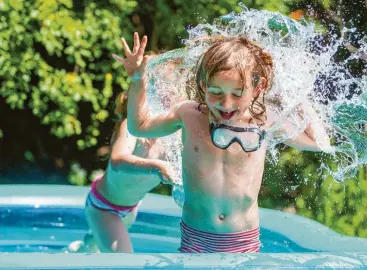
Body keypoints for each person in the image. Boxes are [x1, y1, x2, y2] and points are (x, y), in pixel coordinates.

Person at [112, 32, 333, 253]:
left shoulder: (264, 121)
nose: (226, 104)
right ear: (203, 84)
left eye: (237, 94)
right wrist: (137, 80)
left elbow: (318, 142)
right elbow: (139, 126)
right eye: (216, 92)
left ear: (258, 88)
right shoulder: (189, 115)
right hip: (195, 240)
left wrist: (300, 94)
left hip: (243, 242)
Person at [73, 91, 176, 253]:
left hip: (130, 208)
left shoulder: (168, 139)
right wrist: (156, 166)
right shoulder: (130, 128)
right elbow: (117, 159)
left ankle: (87, 243)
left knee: (102, 241)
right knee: (125, 261)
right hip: (103, 207)